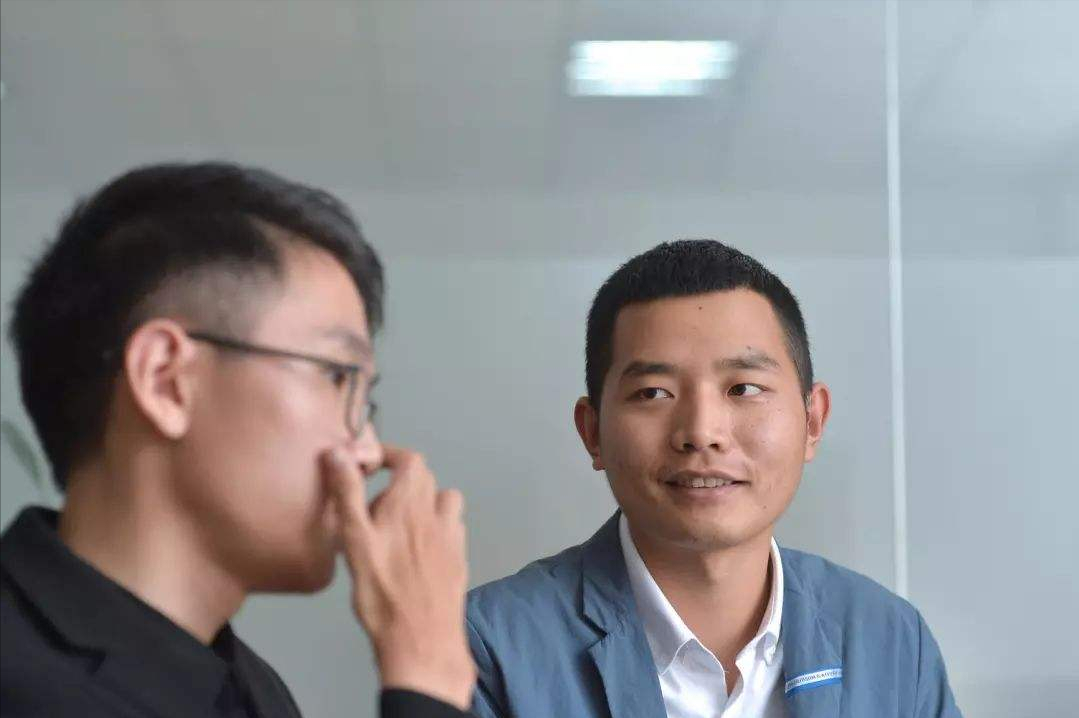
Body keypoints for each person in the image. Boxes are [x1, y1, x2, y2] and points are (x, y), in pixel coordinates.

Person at [0, 163, 475, 717]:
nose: (369, 453)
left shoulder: (253, 689)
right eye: (337, 376)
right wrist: (426, 675)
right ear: (166, 380)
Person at [466, 240, 962, 717]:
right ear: (592, 432)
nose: (702, 433)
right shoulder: (486, 650)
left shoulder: (891, 641)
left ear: (812, 421)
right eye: (654, 393)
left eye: (743, 388)